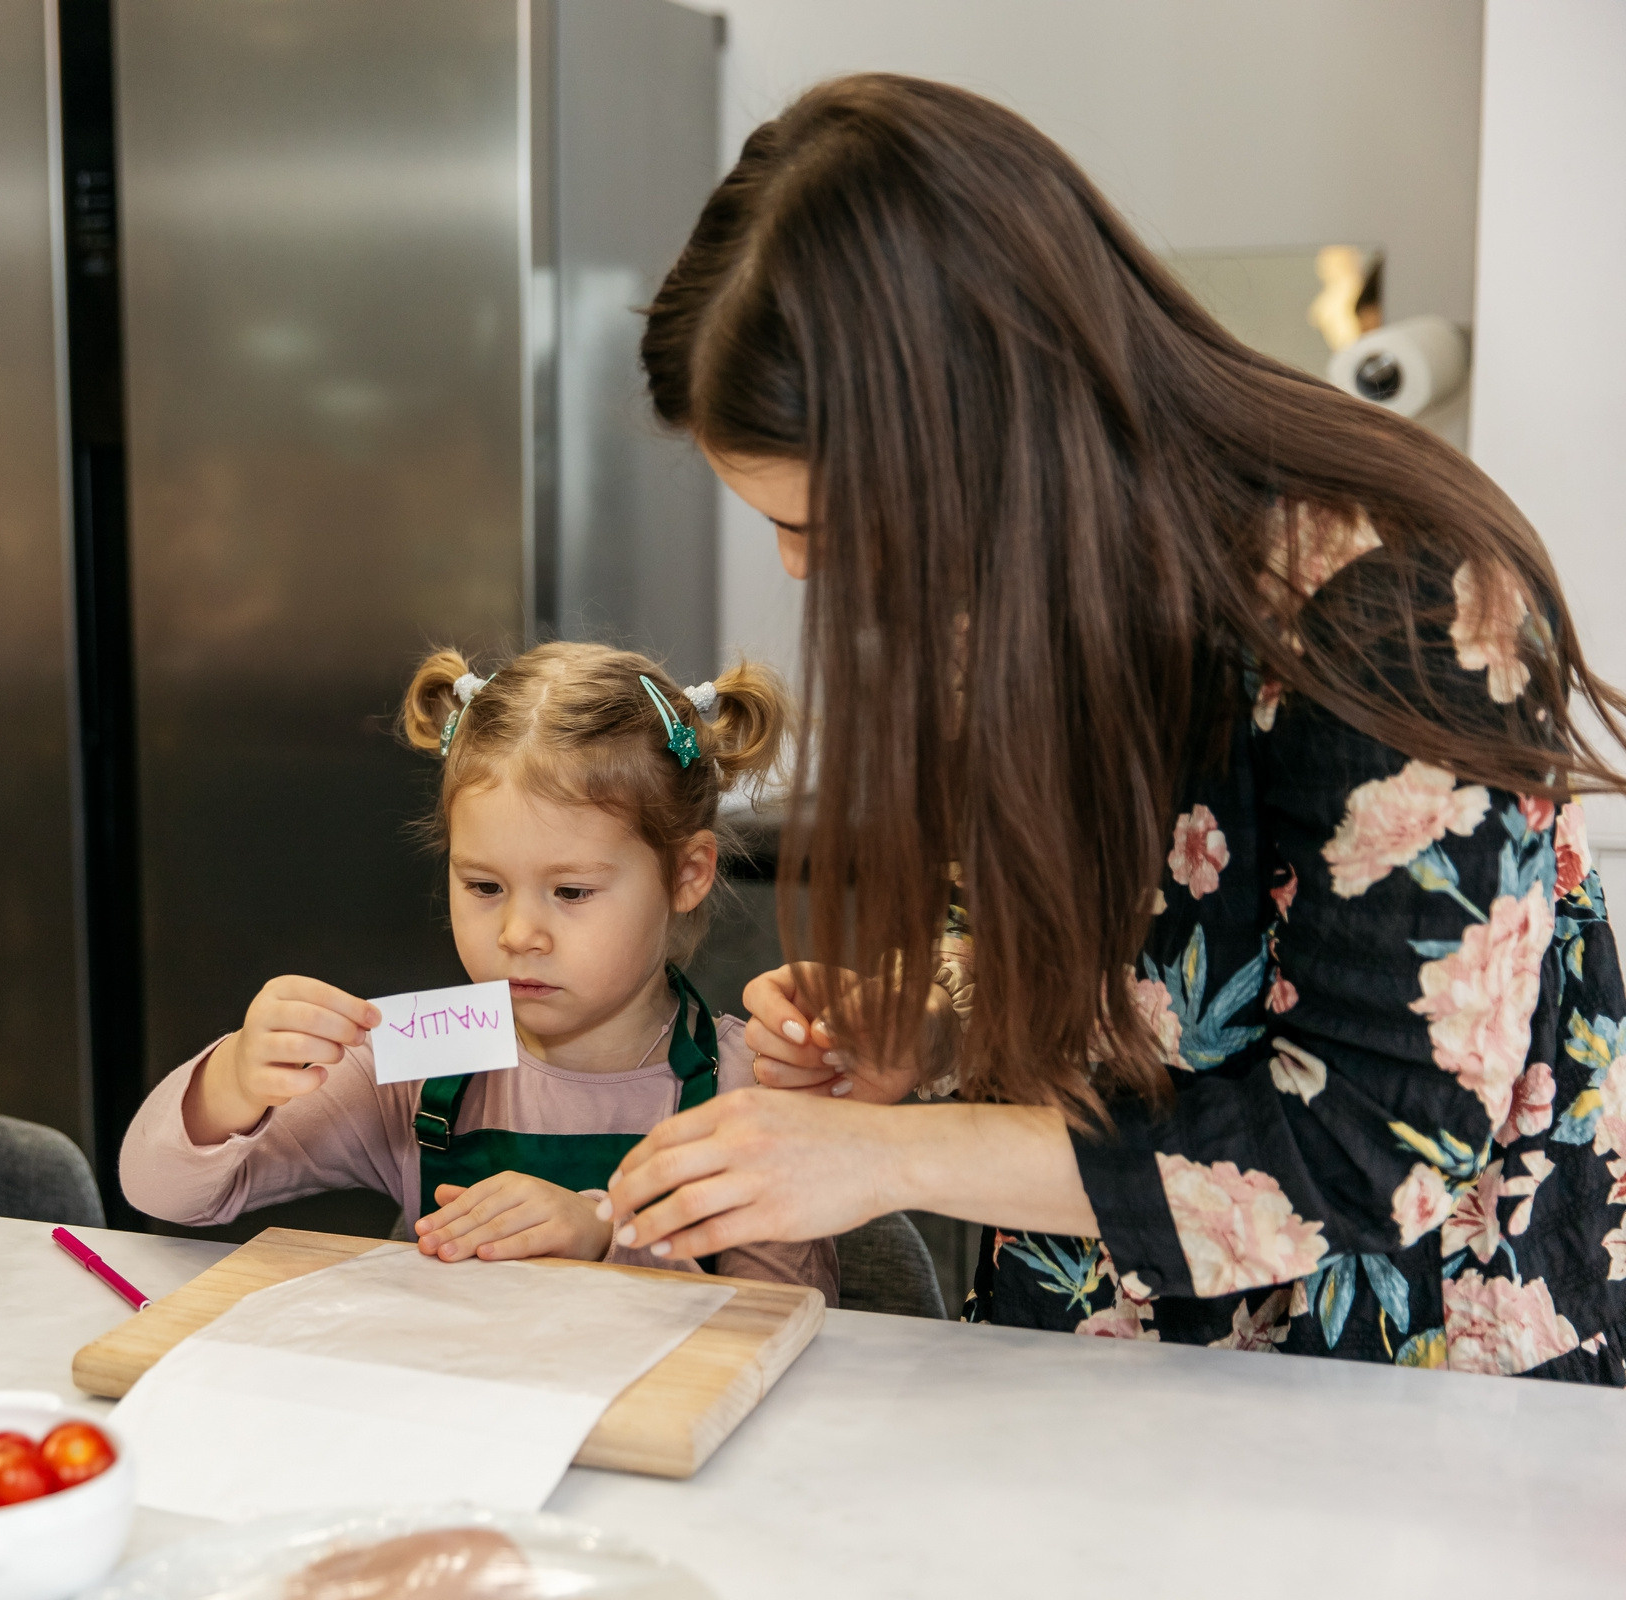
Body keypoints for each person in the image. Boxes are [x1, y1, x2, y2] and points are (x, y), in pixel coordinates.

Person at [604, 73, 1626, 1380]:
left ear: (991, 426)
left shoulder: (1399, 604)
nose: (810, 576)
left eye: (831, 524)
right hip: (1090, 1357)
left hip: (1395, 1382)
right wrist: (926, 1032)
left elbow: (1375, 1145)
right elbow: (1114, 975)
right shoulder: (1003, 588)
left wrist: (884, 1156)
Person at [120, 642, 835, 1296]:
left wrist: (607, 1238)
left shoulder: (748, 1092)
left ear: (687, 873)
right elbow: (158, 1190)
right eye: (484, 888)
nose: (520, 933)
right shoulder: (419, 1059)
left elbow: (794, 1321)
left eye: (572, 892)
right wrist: (234, 1080)